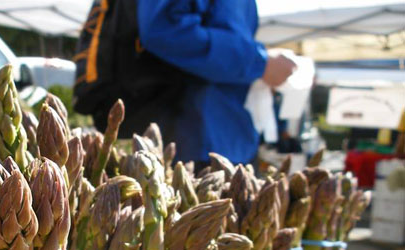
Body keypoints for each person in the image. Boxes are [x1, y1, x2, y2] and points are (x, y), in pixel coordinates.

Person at [110, 0, 297, 165]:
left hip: (229, 138)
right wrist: (259, 63)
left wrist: (265, 67)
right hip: (193, 138)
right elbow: (164, 29)